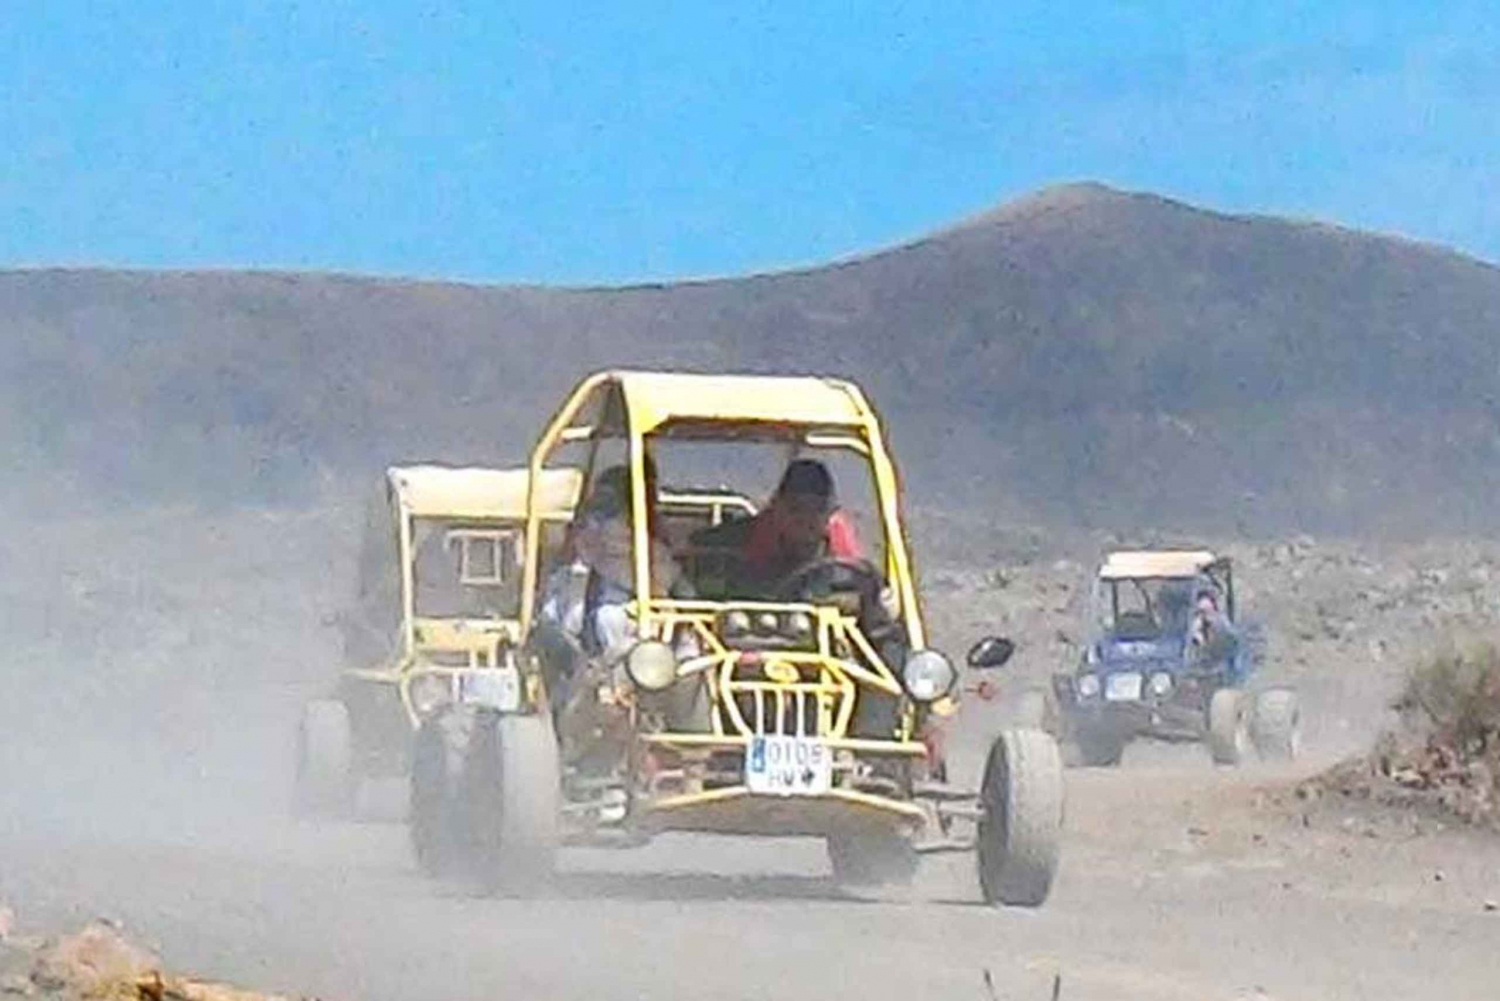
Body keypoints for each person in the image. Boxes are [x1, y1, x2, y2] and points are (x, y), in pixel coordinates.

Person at [740, 459, 863, 588]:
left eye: (817, 509)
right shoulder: (742, 555)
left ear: (830, 515)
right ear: (777, 509)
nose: (805, 518)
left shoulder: (846, 571)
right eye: (796, 508)